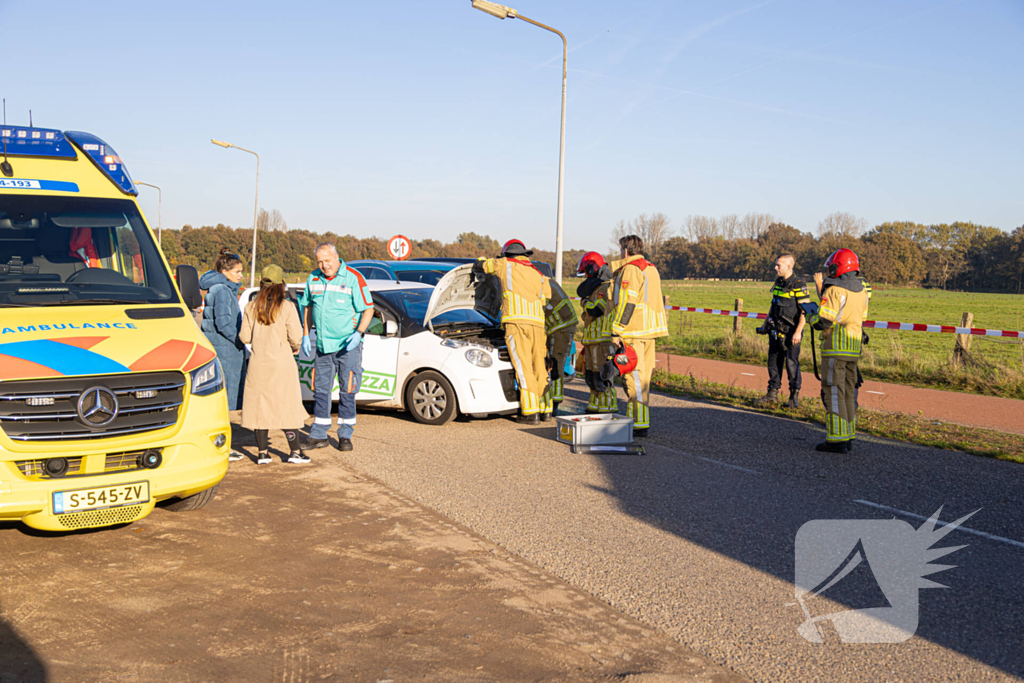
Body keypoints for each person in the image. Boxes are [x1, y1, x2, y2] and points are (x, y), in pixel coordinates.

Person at [298, 243, 375, 452]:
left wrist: (358, 333)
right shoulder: (313, 278)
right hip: (323, 346)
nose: (324, 266)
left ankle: (345, 435)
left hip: (347, 347)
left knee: (347, 390)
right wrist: (306, 334)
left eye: (327, 261)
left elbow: (368, 309)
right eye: (320, 262)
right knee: (321, 391)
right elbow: (308, 307)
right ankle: (318, 434)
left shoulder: (353, 278)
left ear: (337, 257)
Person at [239, 264, 310, 464]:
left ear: (261, 283)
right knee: (286, 406)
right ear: (282, 284)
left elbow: (244, 337)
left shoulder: (251, 306)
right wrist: (295, 346)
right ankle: (295, 452)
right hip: (282, 364)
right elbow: (296, 336)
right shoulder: (287, 307)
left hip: (258, 362)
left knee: (260, 408)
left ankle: (262, 453)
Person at [474, 239, 551, 424]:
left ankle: (530, 413)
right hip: (538, 325)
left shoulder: (504, 264)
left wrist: (480, 258)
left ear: (507, 254)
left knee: (523, 367)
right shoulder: (538, 273)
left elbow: (481, 265)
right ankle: (545, 409)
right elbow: (545, 301)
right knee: (539, 366)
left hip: (516, 323)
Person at [809, 248, 870, 453]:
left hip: (835, 347)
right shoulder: (862, 290)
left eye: (832, 267)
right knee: (848, 394)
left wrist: (811, 317)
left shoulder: (834, 290)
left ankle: (836, 440)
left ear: (840, 267)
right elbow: (860, 319)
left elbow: (824, 320)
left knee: (834, 392)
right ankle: (848, 434)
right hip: (853, 349)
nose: (829, 271)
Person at [610, 235, 668, 437]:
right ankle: (640, 420)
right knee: (644, 378)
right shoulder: (651, 268)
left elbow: (628, 301)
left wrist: (616, 329)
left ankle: (638, 423)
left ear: (625, 251)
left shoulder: (631, 269)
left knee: (634, 377)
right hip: (649, 331)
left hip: (633, 330)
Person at [199, 248, 246, 460]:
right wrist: (240, 341)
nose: (241, 276)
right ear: (226, 272)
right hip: (225, 351)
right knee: (222, 404)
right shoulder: (222, 290)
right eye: (237, 272)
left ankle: (221, 446)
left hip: (223, 349)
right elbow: (224, 322)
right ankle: (223, 447)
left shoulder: (220, 289)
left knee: (220, 403)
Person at [753, 255, 811, 409]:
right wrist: (766, 324)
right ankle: (772, 394)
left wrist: (798, 332)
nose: (775, 268)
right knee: (773, 363)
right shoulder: (778, 283)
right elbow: (774, 305)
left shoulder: (799, 285)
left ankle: (793, 397)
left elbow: (805, 311)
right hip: (775, 330)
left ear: (789, 267)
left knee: (792, 364)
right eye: (775, 265)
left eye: (779, 265)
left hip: (791, 332)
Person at [576, 251, 618, 414]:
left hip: (604, 341)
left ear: (593, 268)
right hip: (592, 340)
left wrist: (585, 303)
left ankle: (608, 406)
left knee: (603, 375)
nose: (586, 275)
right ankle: (594, 404)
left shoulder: (607, 285)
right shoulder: (595, 287)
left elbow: (597, 309)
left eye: (586, 271)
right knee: (591, 375)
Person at [541, 275, 579, 420]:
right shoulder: (544, 280)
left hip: (561, 326)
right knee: (554, 364)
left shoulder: (542, 284)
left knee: (556, 364)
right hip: (557, 326)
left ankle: (554, 404)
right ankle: (552, 403)